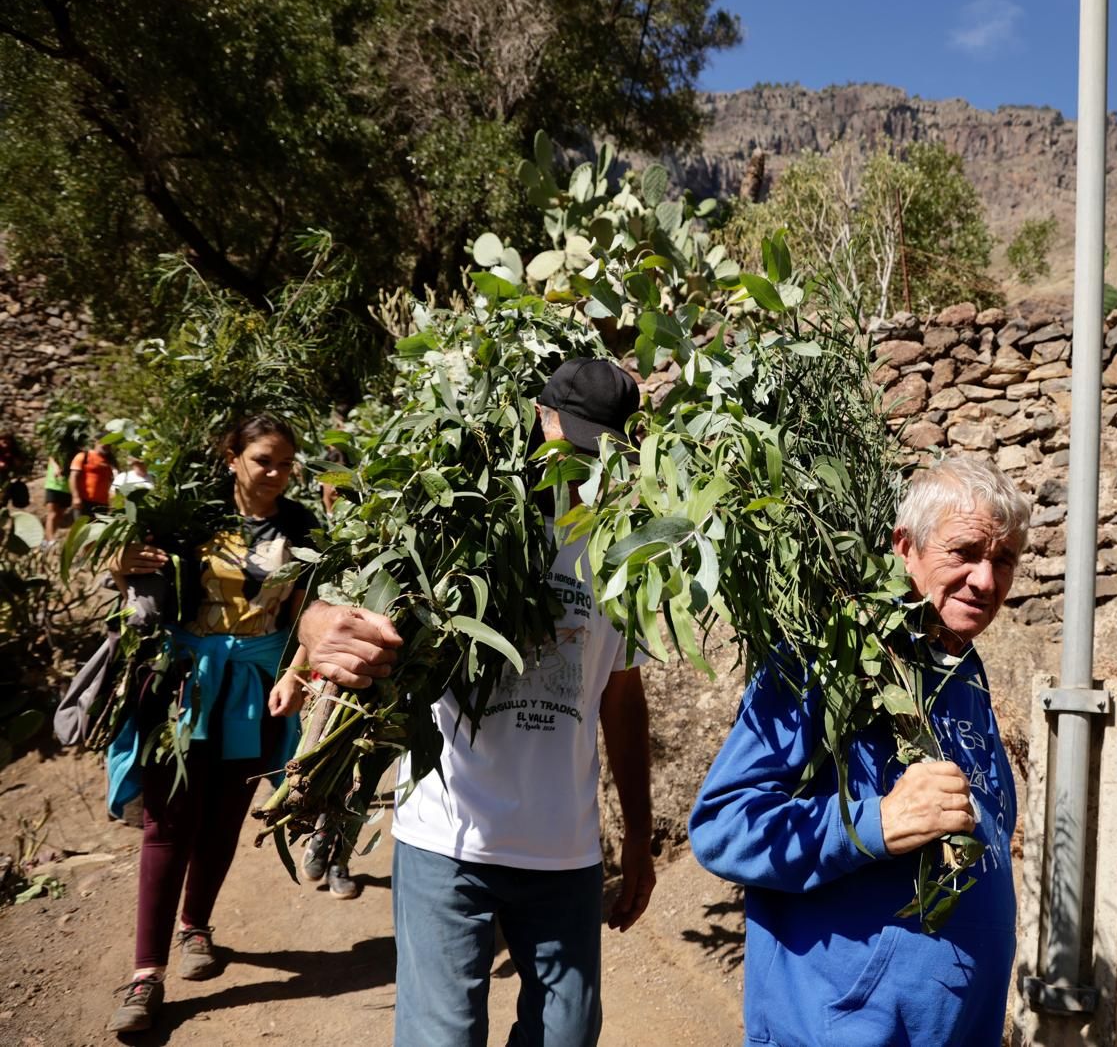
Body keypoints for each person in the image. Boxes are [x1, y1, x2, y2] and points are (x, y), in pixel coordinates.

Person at [295, 357, 655, 1047]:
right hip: (446, 840)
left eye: (600, 451)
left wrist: (637, 834)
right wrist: (316, 629)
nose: (579, 466)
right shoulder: (459, 521)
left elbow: (623, 694)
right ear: (541, 418)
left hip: (564, 852)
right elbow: (345, 606)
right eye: (571, 443)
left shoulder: (623, 552)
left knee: (567, 1035)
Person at [687, 457, 1030, 1047]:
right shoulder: (823, 662)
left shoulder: (965, 674)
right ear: (905, 548)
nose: (986, 580)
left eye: (1003, 561)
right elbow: (724, 827)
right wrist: (874, 823)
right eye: (966, 552)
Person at [104, 414, 315, 1034]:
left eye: (285, 463)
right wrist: (120, 567)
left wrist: (295, 673)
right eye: (263, 461)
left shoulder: (303, 528)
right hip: (187, 686)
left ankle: (197, 928)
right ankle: (146, 974)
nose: (276, 474)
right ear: (232, 458)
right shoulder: (192, 520)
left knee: (223, 818)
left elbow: (309, 609)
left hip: (256, 686)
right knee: (170, 822)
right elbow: (145, 590)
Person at [70, 440, 116, 519]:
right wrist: (75, 497)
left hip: (102, 504)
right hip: (84, 502)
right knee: (82, 530)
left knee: (99, 530)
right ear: (97, 442)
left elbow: (112, 481)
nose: (107, 446)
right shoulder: (84, 456)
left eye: (109, 445)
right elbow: (73, 477)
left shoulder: (110, 461)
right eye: (105, 443)